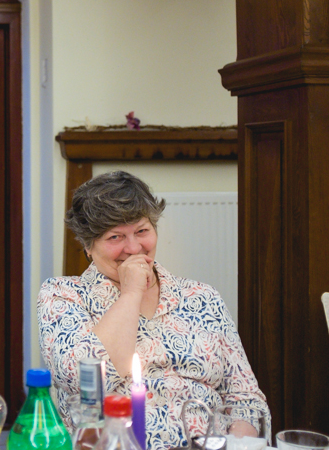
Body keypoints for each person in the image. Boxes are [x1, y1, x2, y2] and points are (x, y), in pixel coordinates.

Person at [37, 171, 270, 450]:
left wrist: (237, 445)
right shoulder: (63, 295)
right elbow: (83, 380)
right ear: (88, 245)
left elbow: (246, 400)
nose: (134, 248)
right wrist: (131, 293)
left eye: (142, 231)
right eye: (115, 237)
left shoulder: (203, 297)